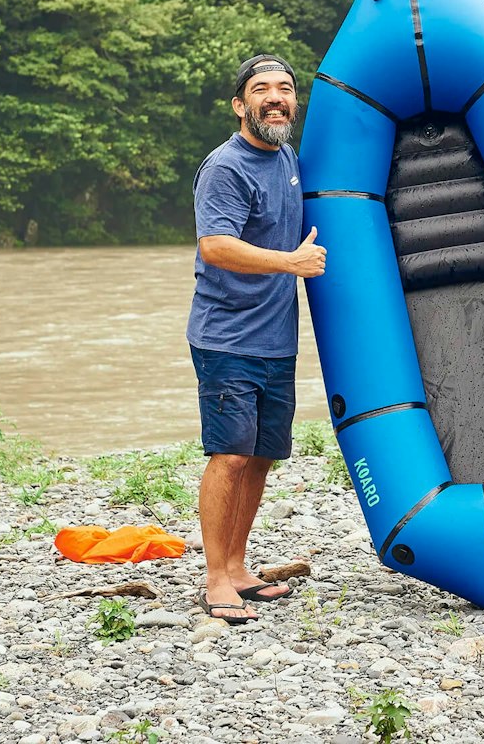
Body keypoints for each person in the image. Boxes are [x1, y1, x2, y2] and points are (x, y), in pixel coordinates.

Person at [186, 53, 326, 625]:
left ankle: (240, 568)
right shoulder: (226, 166)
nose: (275, 97)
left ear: (294, 103)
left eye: (285, 89)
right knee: (230, 454)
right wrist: (290, 262)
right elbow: (214, 245)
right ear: (240, 105)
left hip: (275, 339)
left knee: (263, 456)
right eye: (262, 89)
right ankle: (215, 578)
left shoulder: (288, 157)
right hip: (226, 337)